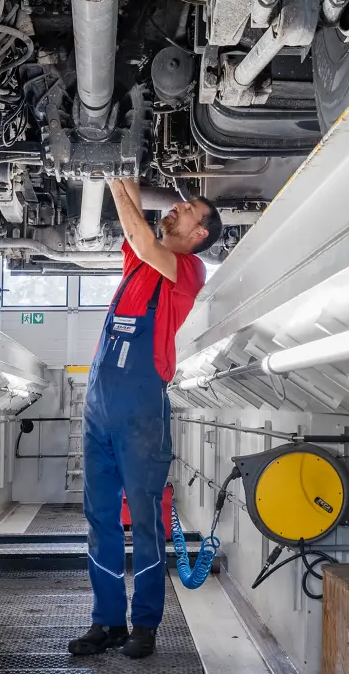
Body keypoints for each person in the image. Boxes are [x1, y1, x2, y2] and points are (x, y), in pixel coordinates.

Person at [68, 179, 222, 659]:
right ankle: (107, 621)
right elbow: (134, 215)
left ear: (199, 234)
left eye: (188, 210)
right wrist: (118, 164)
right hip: (99, 404)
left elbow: (139, 235)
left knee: (148, 523)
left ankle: (146, 625)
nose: (176, 209)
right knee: (99, 519)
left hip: (141, 410)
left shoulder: (188, 270)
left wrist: (110, 180)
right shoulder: (140, 262)